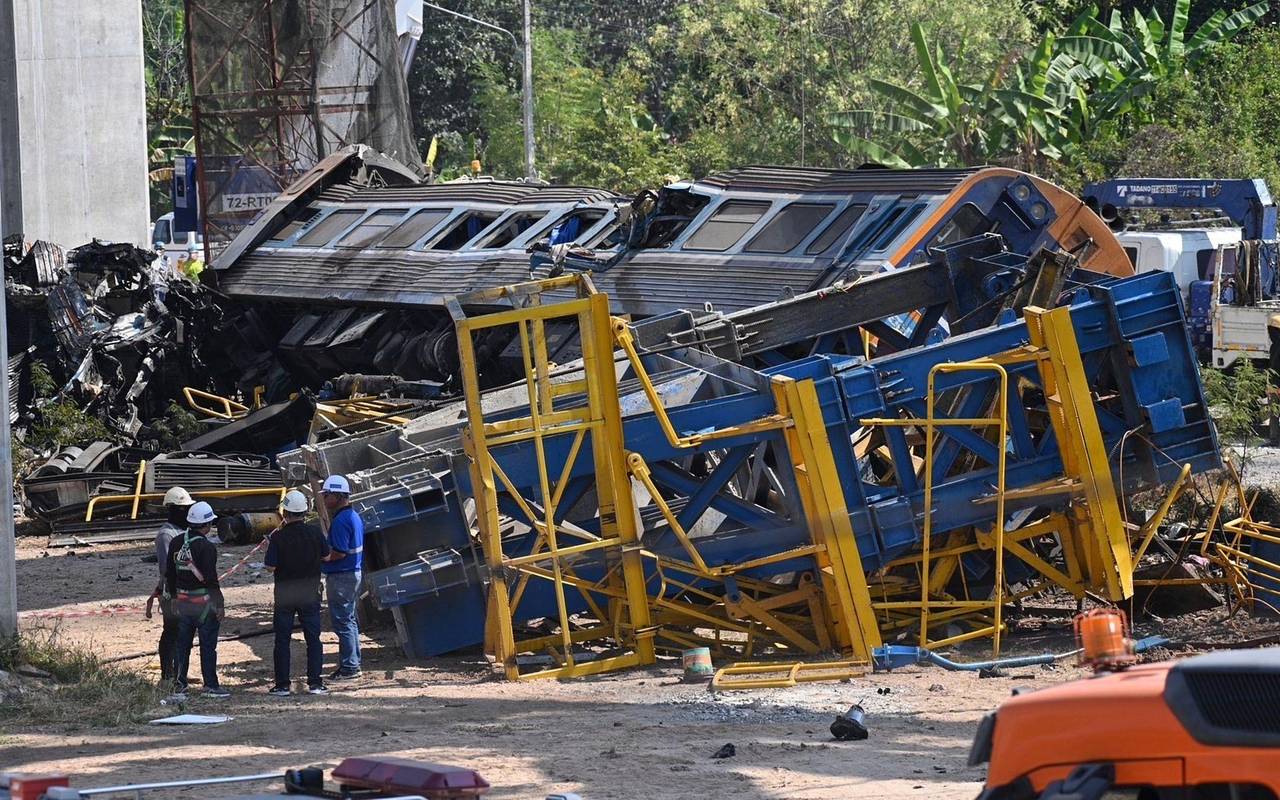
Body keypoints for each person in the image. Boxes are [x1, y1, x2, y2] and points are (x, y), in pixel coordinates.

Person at [265, 490, 331, 696]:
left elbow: (270, 567)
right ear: (305, 511)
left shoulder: (278, 537)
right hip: (309, 593)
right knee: (313, 638)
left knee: (282, 639)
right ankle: (315, 683)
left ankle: (282, 685)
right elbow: (327, 557)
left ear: (285, 512)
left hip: (285, 594)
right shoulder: (315, 533)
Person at [164, 501, 229, 699]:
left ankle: (179, 684)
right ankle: (210, 685)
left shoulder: (176, 542)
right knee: (208, 646)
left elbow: (170, 573)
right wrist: (219, 604)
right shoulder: (206, 547)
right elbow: (211, 579)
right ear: (207, 524)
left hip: (182, 602)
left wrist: (173, 597)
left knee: (182, 646)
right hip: (204, 604)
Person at [146, 487, 193, 687]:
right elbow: (167, 569)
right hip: (172, 592)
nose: (186, 512)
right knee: (172, 633)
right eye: (183, 509)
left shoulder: (186, 531)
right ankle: (168, 675)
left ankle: (180, 674)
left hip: (187, 590)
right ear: (172, 509)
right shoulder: (166, 534)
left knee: (185, 634)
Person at [320, 475, 364, 680]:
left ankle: (349, 668)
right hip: (352, 574)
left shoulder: (341, 521)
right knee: (350, 620)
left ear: (338, 495)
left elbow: (339, 552)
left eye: (327, 495)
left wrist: (322, 557)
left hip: (341, 577)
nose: (324, 499)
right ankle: (353, 663)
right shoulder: (353, 516)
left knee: (343, 622)